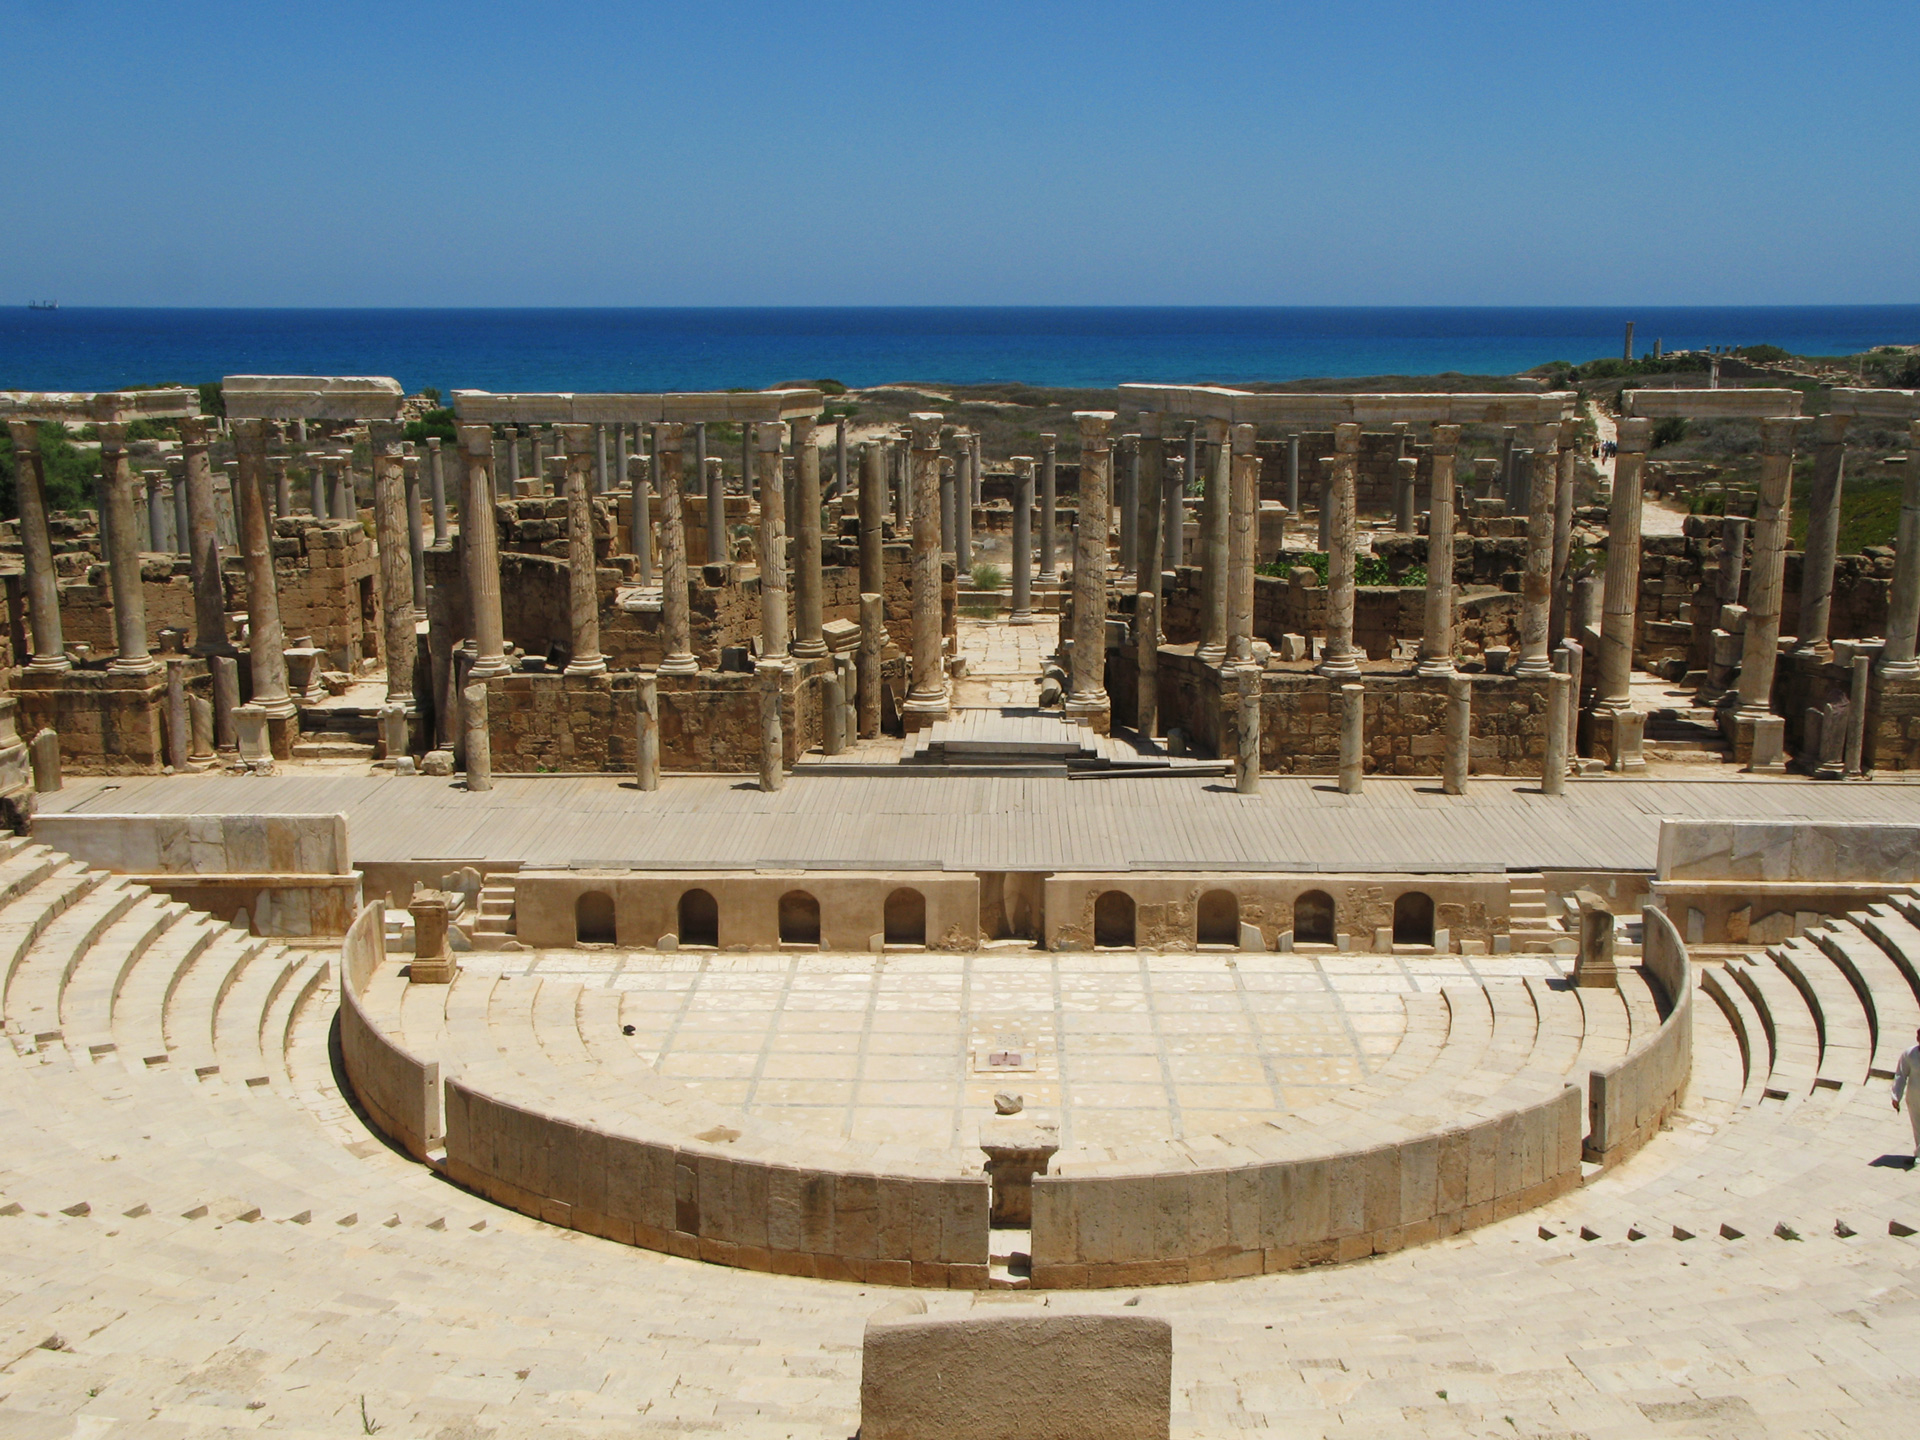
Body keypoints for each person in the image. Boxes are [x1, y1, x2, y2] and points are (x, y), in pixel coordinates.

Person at [1893, 1027, 1920, 1158]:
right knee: (1917, 1126)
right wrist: (1896, 1096)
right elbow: (1901, 1075)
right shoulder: (1909, 1054)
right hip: (1915, 1096)